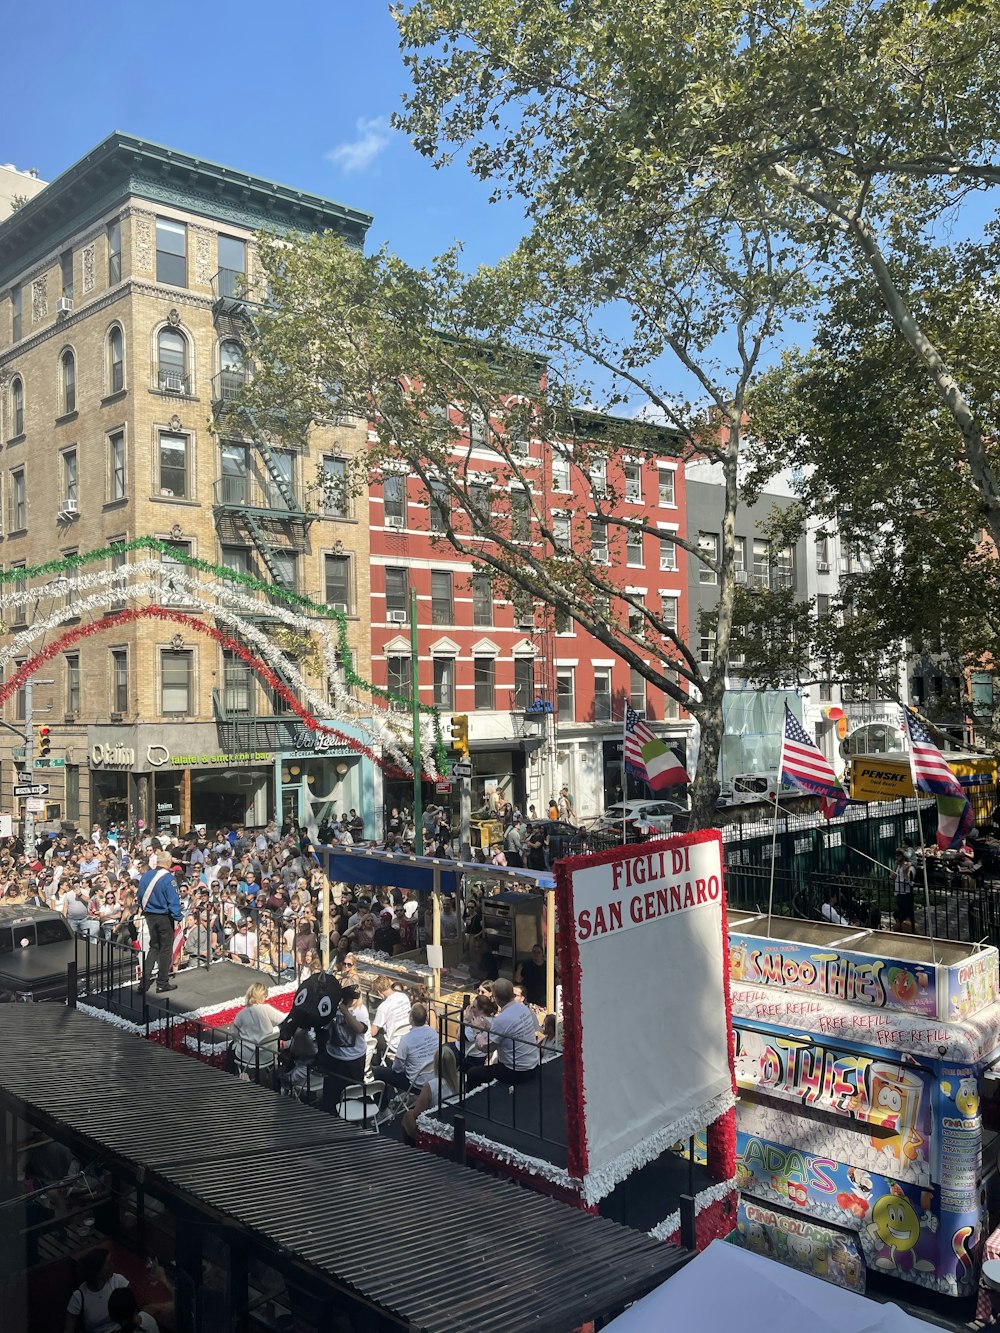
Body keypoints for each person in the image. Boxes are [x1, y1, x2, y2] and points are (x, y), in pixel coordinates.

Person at [467, 978, 541, 1087]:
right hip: (533, 1064)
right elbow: (508, 1030)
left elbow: (486, 1048)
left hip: (515, 1071)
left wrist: (476, 1031)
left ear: (496, 999)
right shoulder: (524, 1009)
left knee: (473, 1073)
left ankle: (472, 1101)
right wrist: (488, 1026)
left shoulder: (502, 1019)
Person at [138, 852, 182, 994]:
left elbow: (139, 896)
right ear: (168, 862)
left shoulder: (146, 876)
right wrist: (179, 917)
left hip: (149, 915)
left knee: (153, 947)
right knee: (165, 949)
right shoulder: (168, 878)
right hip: (164, 917)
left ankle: (143, 983)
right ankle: (162, 982)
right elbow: (173, 900)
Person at [375, 1002, 438, 1101]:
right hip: (434, 1078)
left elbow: (397, 1068)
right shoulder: (434, 1033)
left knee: (378, 1071)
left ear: (411, 1019)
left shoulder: (406, 1039)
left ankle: (383, 1108)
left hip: (416, 1084)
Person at [321, 985, 370, 1112]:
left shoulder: (361, 1010)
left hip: (354, 1059)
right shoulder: (333, 1008)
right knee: (332, 1094)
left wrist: (345, 1012)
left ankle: (352, 1117)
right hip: (334, 1056)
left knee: (353, 1093)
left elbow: (361, 1029)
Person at [401, 1045, 460, 1143]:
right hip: (453, 1121)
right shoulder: (461, 1081)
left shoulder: (430, 1086)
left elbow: (417, 1114)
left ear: (436, 1064)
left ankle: (410, 1149)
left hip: (437, 1126)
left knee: (408, 1115)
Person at [64, 1248, 129, 1333]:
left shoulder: (117, 1281)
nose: (113, 1265)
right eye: (108, 1264)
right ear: (98, 1272)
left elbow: (132, 1309)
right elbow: (68, 1330)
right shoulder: (79, 1296)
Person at [232, 982, 284, 1067]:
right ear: (261, 995)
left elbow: (235, 1035)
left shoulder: (240, 1014)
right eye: (265, 995)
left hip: (247, 1056)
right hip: (268, 1054)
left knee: (231, 1047)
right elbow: (284, 1019)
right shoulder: (266, 1009)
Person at [516, 943, 551, 1008]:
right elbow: (518, 980)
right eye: (534, 952)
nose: (536, 954)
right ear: (531, 953)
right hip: (529, 999)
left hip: (544, 1000)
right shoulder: (525, 965)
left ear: (542, 954)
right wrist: (519, 969)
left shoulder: (548, 966)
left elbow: (556, 981)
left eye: (538, 952)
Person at [892, 848, 915, 932]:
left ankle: (910, 929)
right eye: (895, 855)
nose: (896, 857)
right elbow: (892, 876)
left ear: (903, 856)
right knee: (901, 912)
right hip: (899, 892)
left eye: (898, 856)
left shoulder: (909, 867)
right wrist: (895, 866)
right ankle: (903, 928)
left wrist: (905, 871)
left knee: (907, 913)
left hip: (906, 894)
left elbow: (906, 880)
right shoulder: (898, 866)